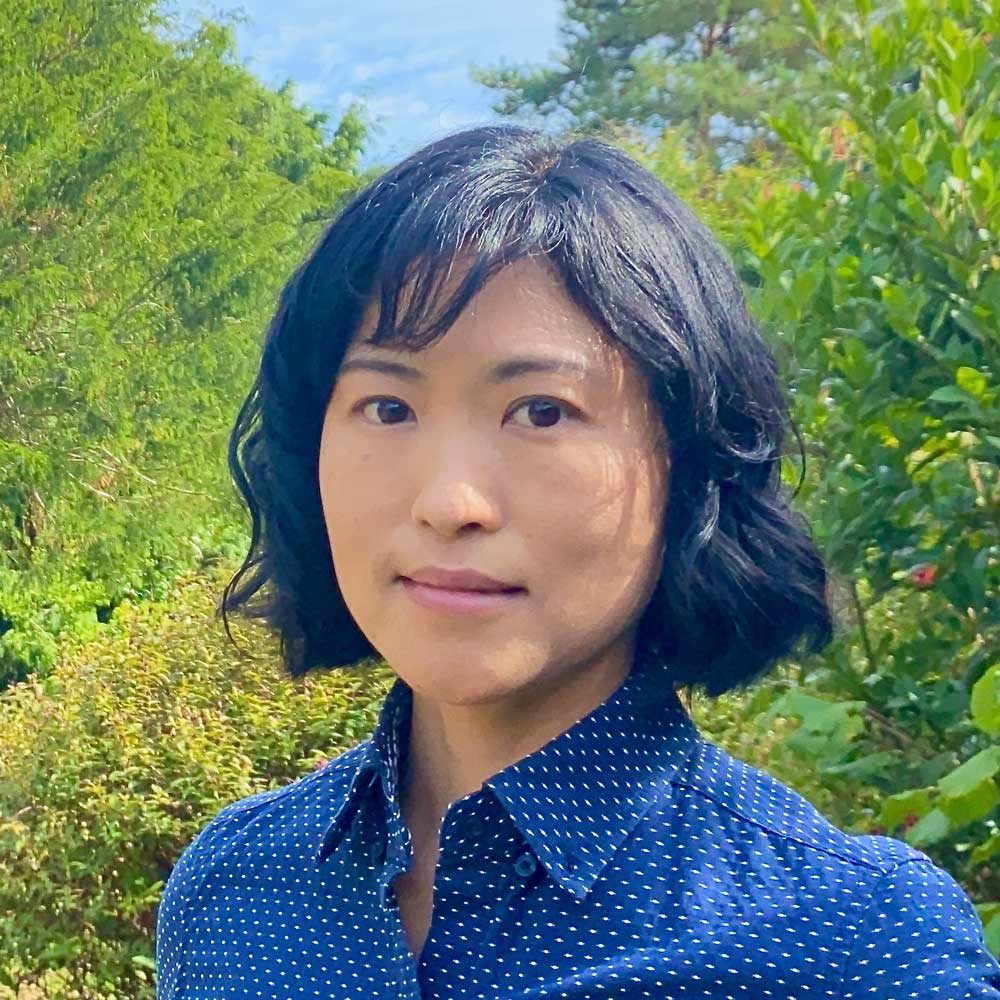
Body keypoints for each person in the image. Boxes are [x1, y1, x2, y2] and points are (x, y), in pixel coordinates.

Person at [154, 124, 1000, 999]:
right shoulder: (233, 890)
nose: (450, 503)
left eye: (543, 412)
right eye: (387, 407)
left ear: (689, 463)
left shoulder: (851, 942)